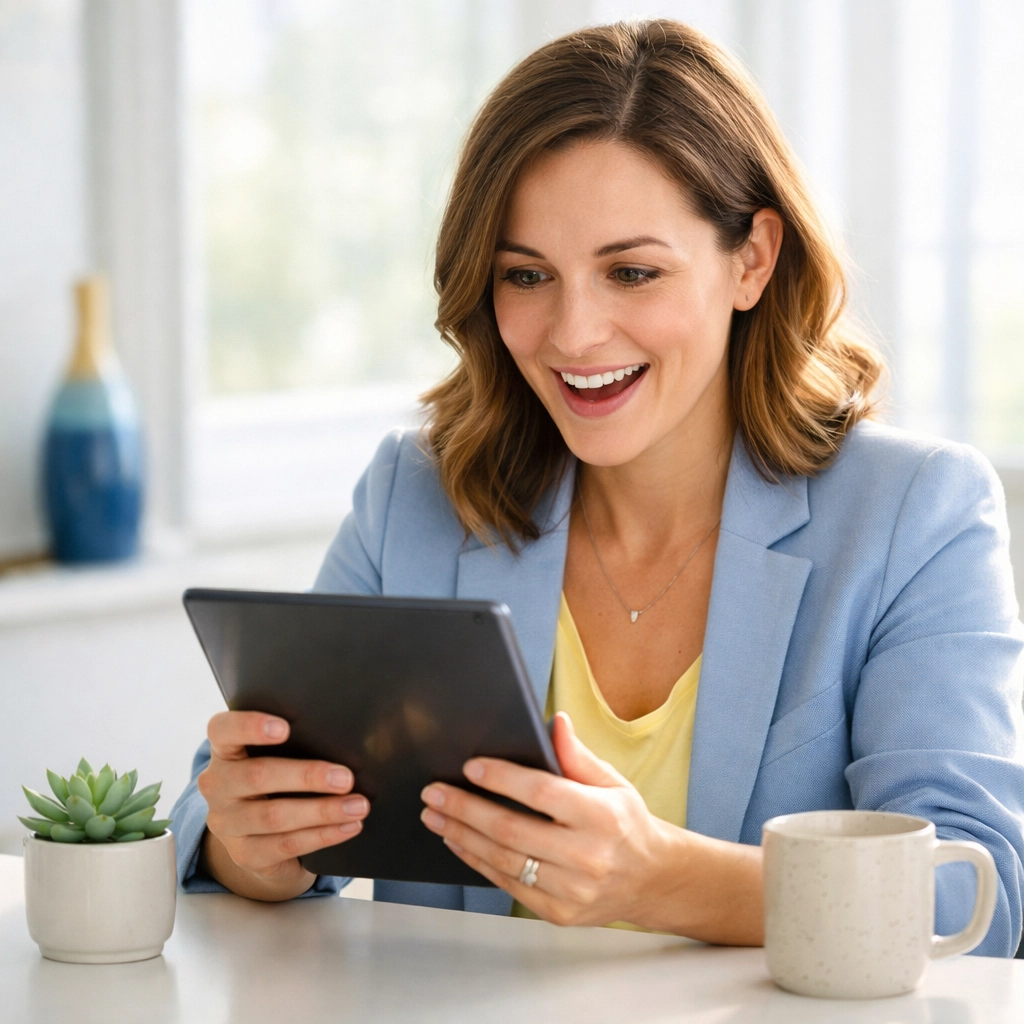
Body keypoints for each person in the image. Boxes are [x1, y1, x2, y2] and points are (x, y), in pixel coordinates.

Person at [170, 19, 1024, 955]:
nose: (573, 333)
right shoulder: (415, 499)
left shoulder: (916, 514)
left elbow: (973, 902)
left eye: (632, 271)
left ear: (752, 259)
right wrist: (258, 849)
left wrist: (663, 881)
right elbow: (223, 827)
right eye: (527, 274)